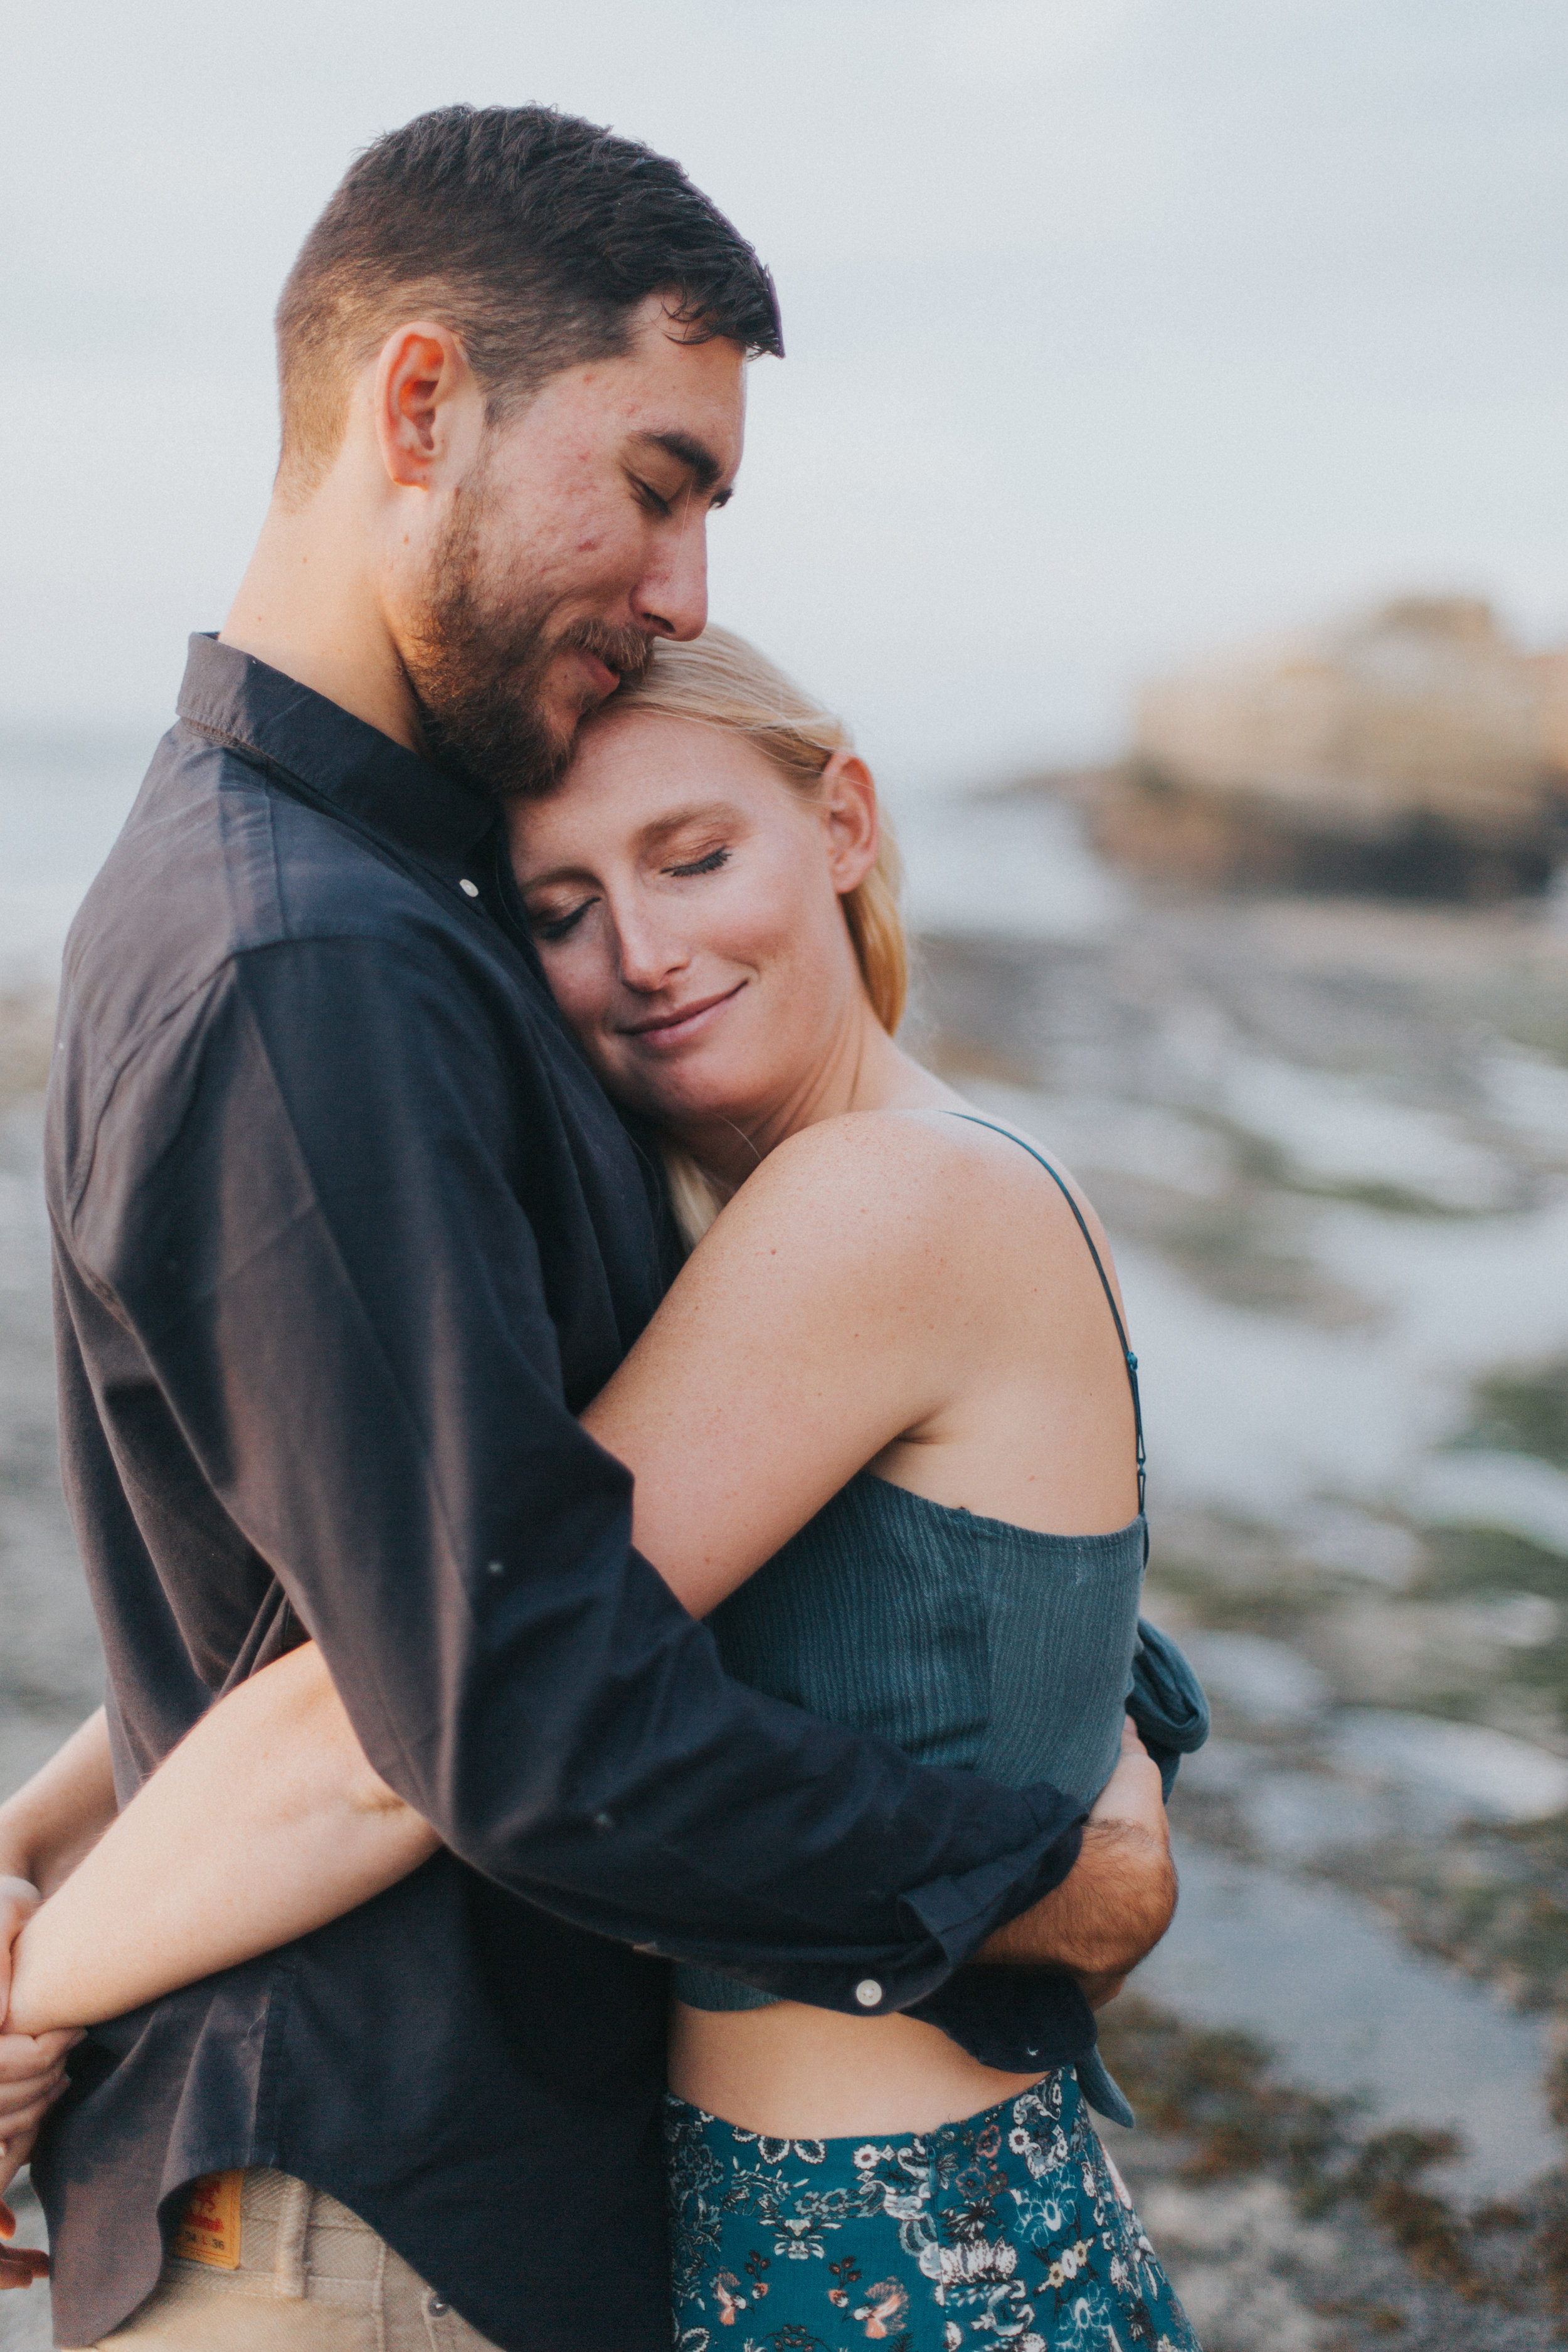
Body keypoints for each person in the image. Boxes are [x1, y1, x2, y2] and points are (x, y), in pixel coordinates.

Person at [0, 103, 1183, 2352]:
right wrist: (1044, 1872)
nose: (684, 588)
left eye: (706, 510)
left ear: (837, 828)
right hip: (361, 2203)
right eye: (656, 482)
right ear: (422, 403)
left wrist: (41, 1856)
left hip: (436, 2180)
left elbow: (380, 1577)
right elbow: (449, 1709)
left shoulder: (390, 911)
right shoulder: (313, 959)